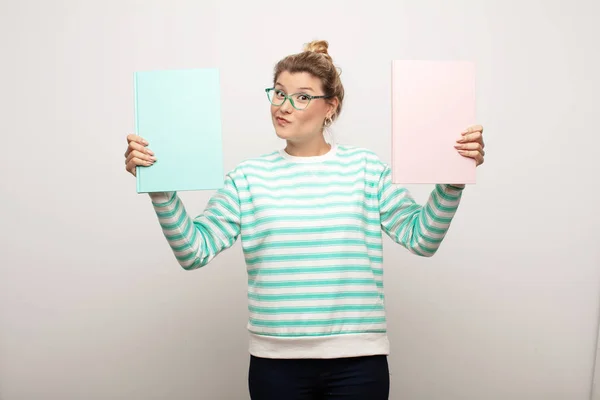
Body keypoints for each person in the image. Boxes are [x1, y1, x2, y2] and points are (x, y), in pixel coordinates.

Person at [124, 40, 485, 400]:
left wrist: (453, 180)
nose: (282, 107)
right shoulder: (247, 178)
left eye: (301, 97)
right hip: (276, 365)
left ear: (331, 107)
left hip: (358, 362)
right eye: (278, 93)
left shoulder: (366, 169)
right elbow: (193, 252)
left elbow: (422, 239)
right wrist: (160, 188)